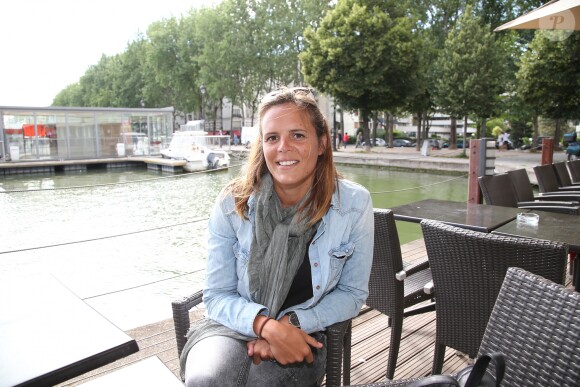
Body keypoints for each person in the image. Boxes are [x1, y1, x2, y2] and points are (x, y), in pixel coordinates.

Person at [181, 87, 374, 387]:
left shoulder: (353, 205)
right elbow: (217, 296)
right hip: (230, 326)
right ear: (263, 145)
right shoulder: (232, 203)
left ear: (322, 143)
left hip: (304, 332)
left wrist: (291, 324)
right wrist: (266, 327)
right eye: (272, 138)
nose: (283, 147)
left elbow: (352, 293)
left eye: (298, 135)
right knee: (207, 380)